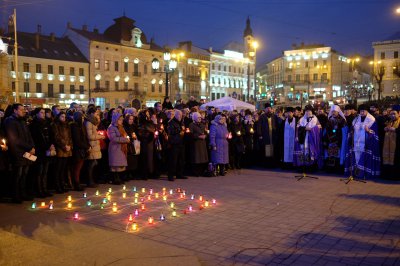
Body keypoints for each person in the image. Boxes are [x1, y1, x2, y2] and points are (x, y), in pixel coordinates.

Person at [4, 104, 35, 203]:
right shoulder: (10, 121)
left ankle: (23, 193)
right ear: (15, 110)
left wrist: (32, 147)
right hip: (18, 153)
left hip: (27, 152)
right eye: (21, 109)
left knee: (25, 174)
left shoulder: (22, 121)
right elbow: (15, 139)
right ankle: (15, 195)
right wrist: (29, 147)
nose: (24, 111)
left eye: (24, 109)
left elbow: (29, 135)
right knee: (18, 175)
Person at [344, 104, 380, 179]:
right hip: (356, 143)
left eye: (364, 111)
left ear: (367, 111)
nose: (362, 112)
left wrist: (368, 130)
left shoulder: (372, 120)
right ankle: (356, 174)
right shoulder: (356, 119)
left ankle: (363, 174)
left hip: (366, 144)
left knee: (364, 158)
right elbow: (352, 129)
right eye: (361, 111)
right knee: (356, 158)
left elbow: (375, 133)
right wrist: (351, 132)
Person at [29, 107, 54, 197]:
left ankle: (44, 188)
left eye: (44, 112)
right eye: (41, 112)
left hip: (47, 151)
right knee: (39, 171)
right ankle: (38, 190)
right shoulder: (33, 125)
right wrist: (47, 146)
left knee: (45, 171)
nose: (43, 114)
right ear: (36, 114)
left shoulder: (46, 124)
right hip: (39, 151)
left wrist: (51, 144)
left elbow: (51, 135)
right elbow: (36, 139)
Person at [293, 105, 323, 169]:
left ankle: (311, 166)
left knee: (311, 151)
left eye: (309, 111)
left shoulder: (315, 119)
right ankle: (303, 165)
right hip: (303, 138)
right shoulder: (301, 119)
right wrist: (304, 128)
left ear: (312, 111)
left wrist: (312, 129)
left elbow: (319, 127)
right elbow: (297, 128)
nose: (308, 112)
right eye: (306, 111)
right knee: (303, 151)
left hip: (312, 138)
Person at [51, 112, 73, 193]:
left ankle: (62, 184)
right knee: (58, 169)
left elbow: (70, 136)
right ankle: (57, 186)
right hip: (60, 149)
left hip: (67, 149)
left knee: (63, 169)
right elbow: (57, 137)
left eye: (64, 117)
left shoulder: (67, 125)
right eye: (62, 117)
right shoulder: (55, 125)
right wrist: (64, 146)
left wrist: (70, 145)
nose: (64, 118)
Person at [107, 113, 130, 185]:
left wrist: (127, 138)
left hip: (121, 148)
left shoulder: (121, 127)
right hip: (115, 148)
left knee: (120, 164)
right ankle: (115, 178)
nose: (121, 121)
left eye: (122, 119)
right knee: (115, 164)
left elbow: (125, 135)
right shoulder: (111, 127)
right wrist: (125, 139)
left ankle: (119, 178)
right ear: (116, 120)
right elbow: (113, 138)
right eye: (120, 119)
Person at [70, 111, 91, 191]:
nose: (83, 119)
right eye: (82, 118)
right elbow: (77, 140)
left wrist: (87, 146)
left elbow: (84, 137)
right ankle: (76, 183)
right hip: (77, 150)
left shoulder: (81, 126)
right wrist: (86, 146)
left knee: (79, 167)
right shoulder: (75, 126)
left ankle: (77, 182)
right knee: (76, 168)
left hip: (81, 149)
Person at [323, 105, 346, 172]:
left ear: (338, 112)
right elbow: (326, 129)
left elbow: (343, 131)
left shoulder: (342, 120)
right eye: (332, 111)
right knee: (330, 154)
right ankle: (330, 169)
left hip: (338, 140)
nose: (333, 113)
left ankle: (337, 168)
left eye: (335, 111)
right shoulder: (329, 119)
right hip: (330, 140)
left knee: (337, 154)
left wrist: (335, 131)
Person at [85, 107, 105, 187]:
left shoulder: (93, 122)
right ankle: (89, 181)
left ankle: (92, 180)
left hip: (95, 145)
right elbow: (90, 136)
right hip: (92, 145)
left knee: (93, 163)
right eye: (96, 113)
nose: (97, 115)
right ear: (92, 113)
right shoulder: (89, 123)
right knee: (91, 164)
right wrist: (100, 137)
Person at [167, 110, 187, 181]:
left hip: (181, 143)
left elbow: (183, 129)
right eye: (179, 115)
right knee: (173, 160)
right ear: (176, 115)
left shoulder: (181, 122)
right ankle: (171, 175)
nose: (180, 117)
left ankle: (180, 174)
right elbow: (170, 132)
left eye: (181, 116)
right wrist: (179, 132)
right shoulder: (171, 122)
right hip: (174, 143)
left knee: (181, 159)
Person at [381, 105, 400, 179]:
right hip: (388, 146)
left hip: (397, 147)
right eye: (391, 114)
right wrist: (385, 129)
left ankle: (396, 176)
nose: (392, 115)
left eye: (394, 114)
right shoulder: (389, 121)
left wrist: (395, 130)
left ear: (399, 113)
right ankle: (388, 176)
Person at [189, 112, 209, 176]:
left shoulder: (202, 125)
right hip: (196, 143)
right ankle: (195, 172)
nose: (200, 119)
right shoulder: (191, 125)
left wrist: (205, 135)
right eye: (198, 117)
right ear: (194, 118)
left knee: (202, 157)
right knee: (196, 157)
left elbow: (206, 132)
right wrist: (198, 136)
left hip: (202, 143)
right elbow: (191, 134)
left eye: (200, 117)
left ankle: (201, 171)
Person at [123, 114, 139, 180]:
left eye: (132, 119)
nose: (131, 121)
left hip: (133, 144)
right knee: (128, 159)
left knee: (133, 159)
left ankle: (131, 173)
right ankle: (126, 174)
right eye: (130, 119)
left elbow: (136, 134)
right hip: (127, 144)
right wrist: (128, 137)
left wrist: (135, 137)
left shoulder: (133, 126)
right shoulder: (124, 126)